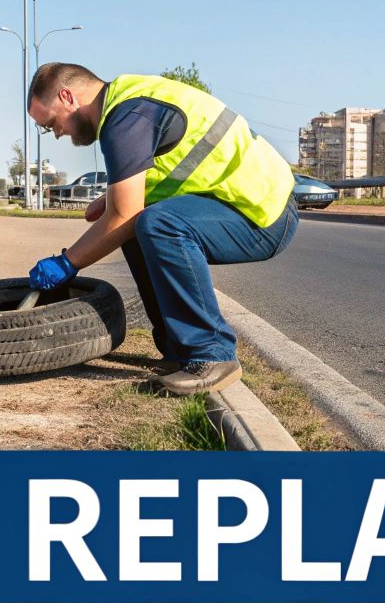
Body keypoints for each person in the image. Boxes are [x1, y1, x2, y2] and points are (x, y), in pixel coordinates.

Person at [23, 62, 299, 395]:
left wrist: (68, 262)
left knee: (155, 224)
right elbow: (166, 172)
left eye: (52, 123)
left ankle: (211, 354)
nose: (57, 133)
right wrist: (111, 198)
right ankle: (179, 351)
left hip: (264, 213)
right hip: (236, 202)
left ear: (67, 97)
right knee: (138, 225)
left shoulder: (125, 118)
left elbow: (125, 215)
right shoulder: (125, 102)